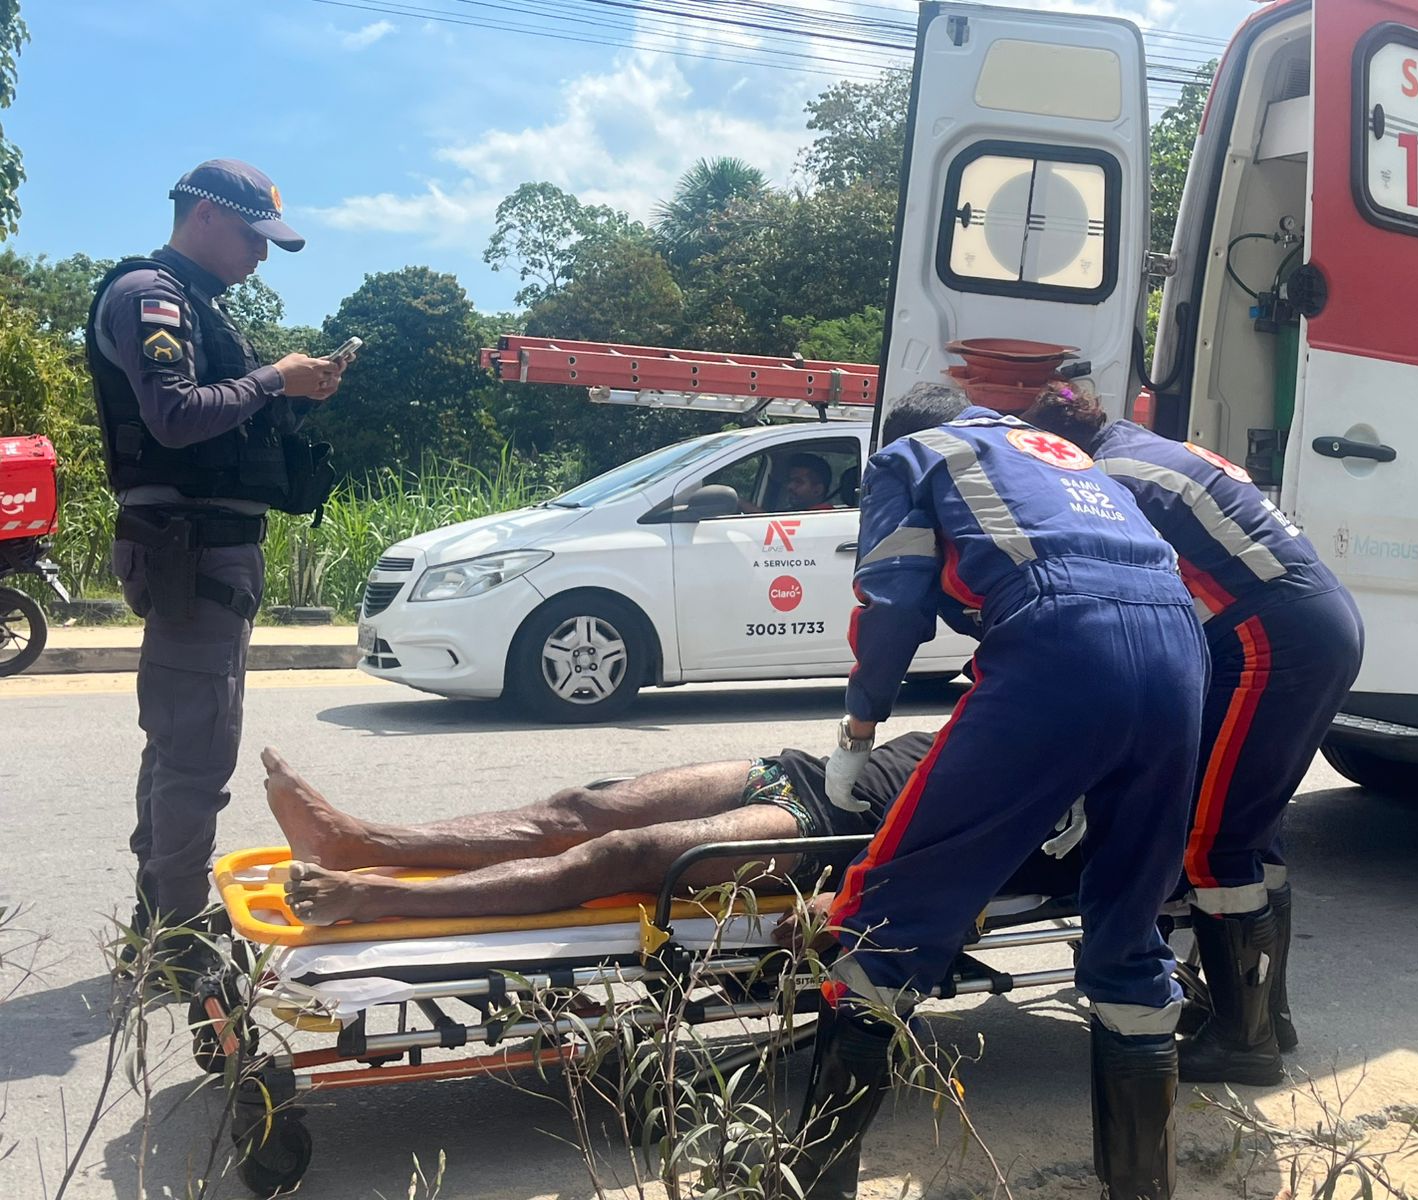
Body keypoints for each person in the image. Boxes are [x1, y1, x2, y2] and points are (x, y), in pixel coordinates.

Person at [800, 383, 1208, 1200]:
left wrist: (859, 728)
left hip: (1060, 644)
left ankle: (807, 1183)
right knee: (1130, 936)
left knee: (886, 915)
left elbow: (892, 601)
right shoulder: (1061, 455)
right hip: (1181, 653)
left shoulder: (913, 454)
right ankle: (1142, 1189)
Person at [1024, 380, 1364, 1085]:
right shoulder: (1147, 448)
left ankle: (1245, 1043)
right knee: (1253, 826)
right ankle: (1268, 1015)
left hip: (1269, 638)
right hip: (1312, 622)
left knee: (1214, 842)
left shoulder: (1104, 479)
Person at [87, 159, 345, 976]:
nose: (261, 257)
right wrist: (275, 378)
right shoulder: (150, 298)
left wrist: (288, 394)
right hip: (189, 548)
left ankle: (156, 921)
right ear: (203, 215)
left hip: (204, 549)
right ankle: (176, 940)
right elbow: (171, 417)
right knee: (196, 749)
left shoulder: (194, 306)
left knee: (179, 742)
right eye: (251, 236)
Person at [268, 733, 943, 924]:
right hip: (796, 771)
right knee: (577, 809)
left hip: (820, 831)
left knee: (623, 853)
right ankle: (355, 842)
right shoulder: (1001, 709)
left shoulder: (1038, 795)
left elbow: (975, 868)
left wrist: (854, 900)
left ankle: (371, 897)